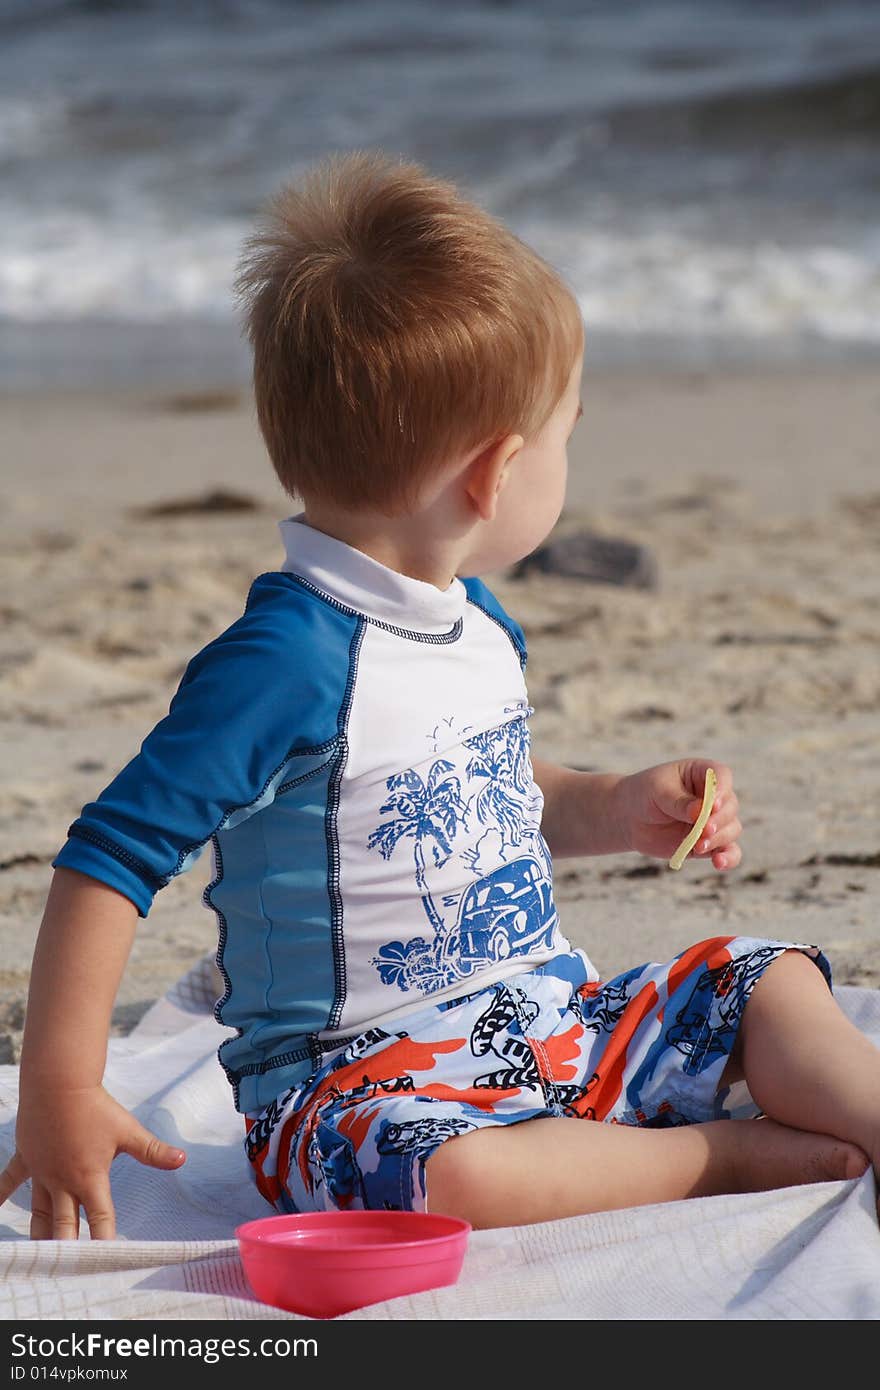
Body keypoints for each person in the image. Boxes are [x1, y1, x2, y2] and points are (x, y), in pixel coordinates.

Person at [2, 151, 878, 1241]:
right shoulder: (282, 662)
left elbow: (490, 789)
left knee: (768, 979)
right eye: (567, 434)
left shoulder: (469, 620)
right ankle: (708, 1158)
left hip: (546, 1021)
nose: (569, 458)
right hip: (356, 1087)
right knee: (447, 1185)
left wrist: (611, 803)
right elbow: (108, 859)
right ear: (494, 474)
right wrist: (60, 1091)